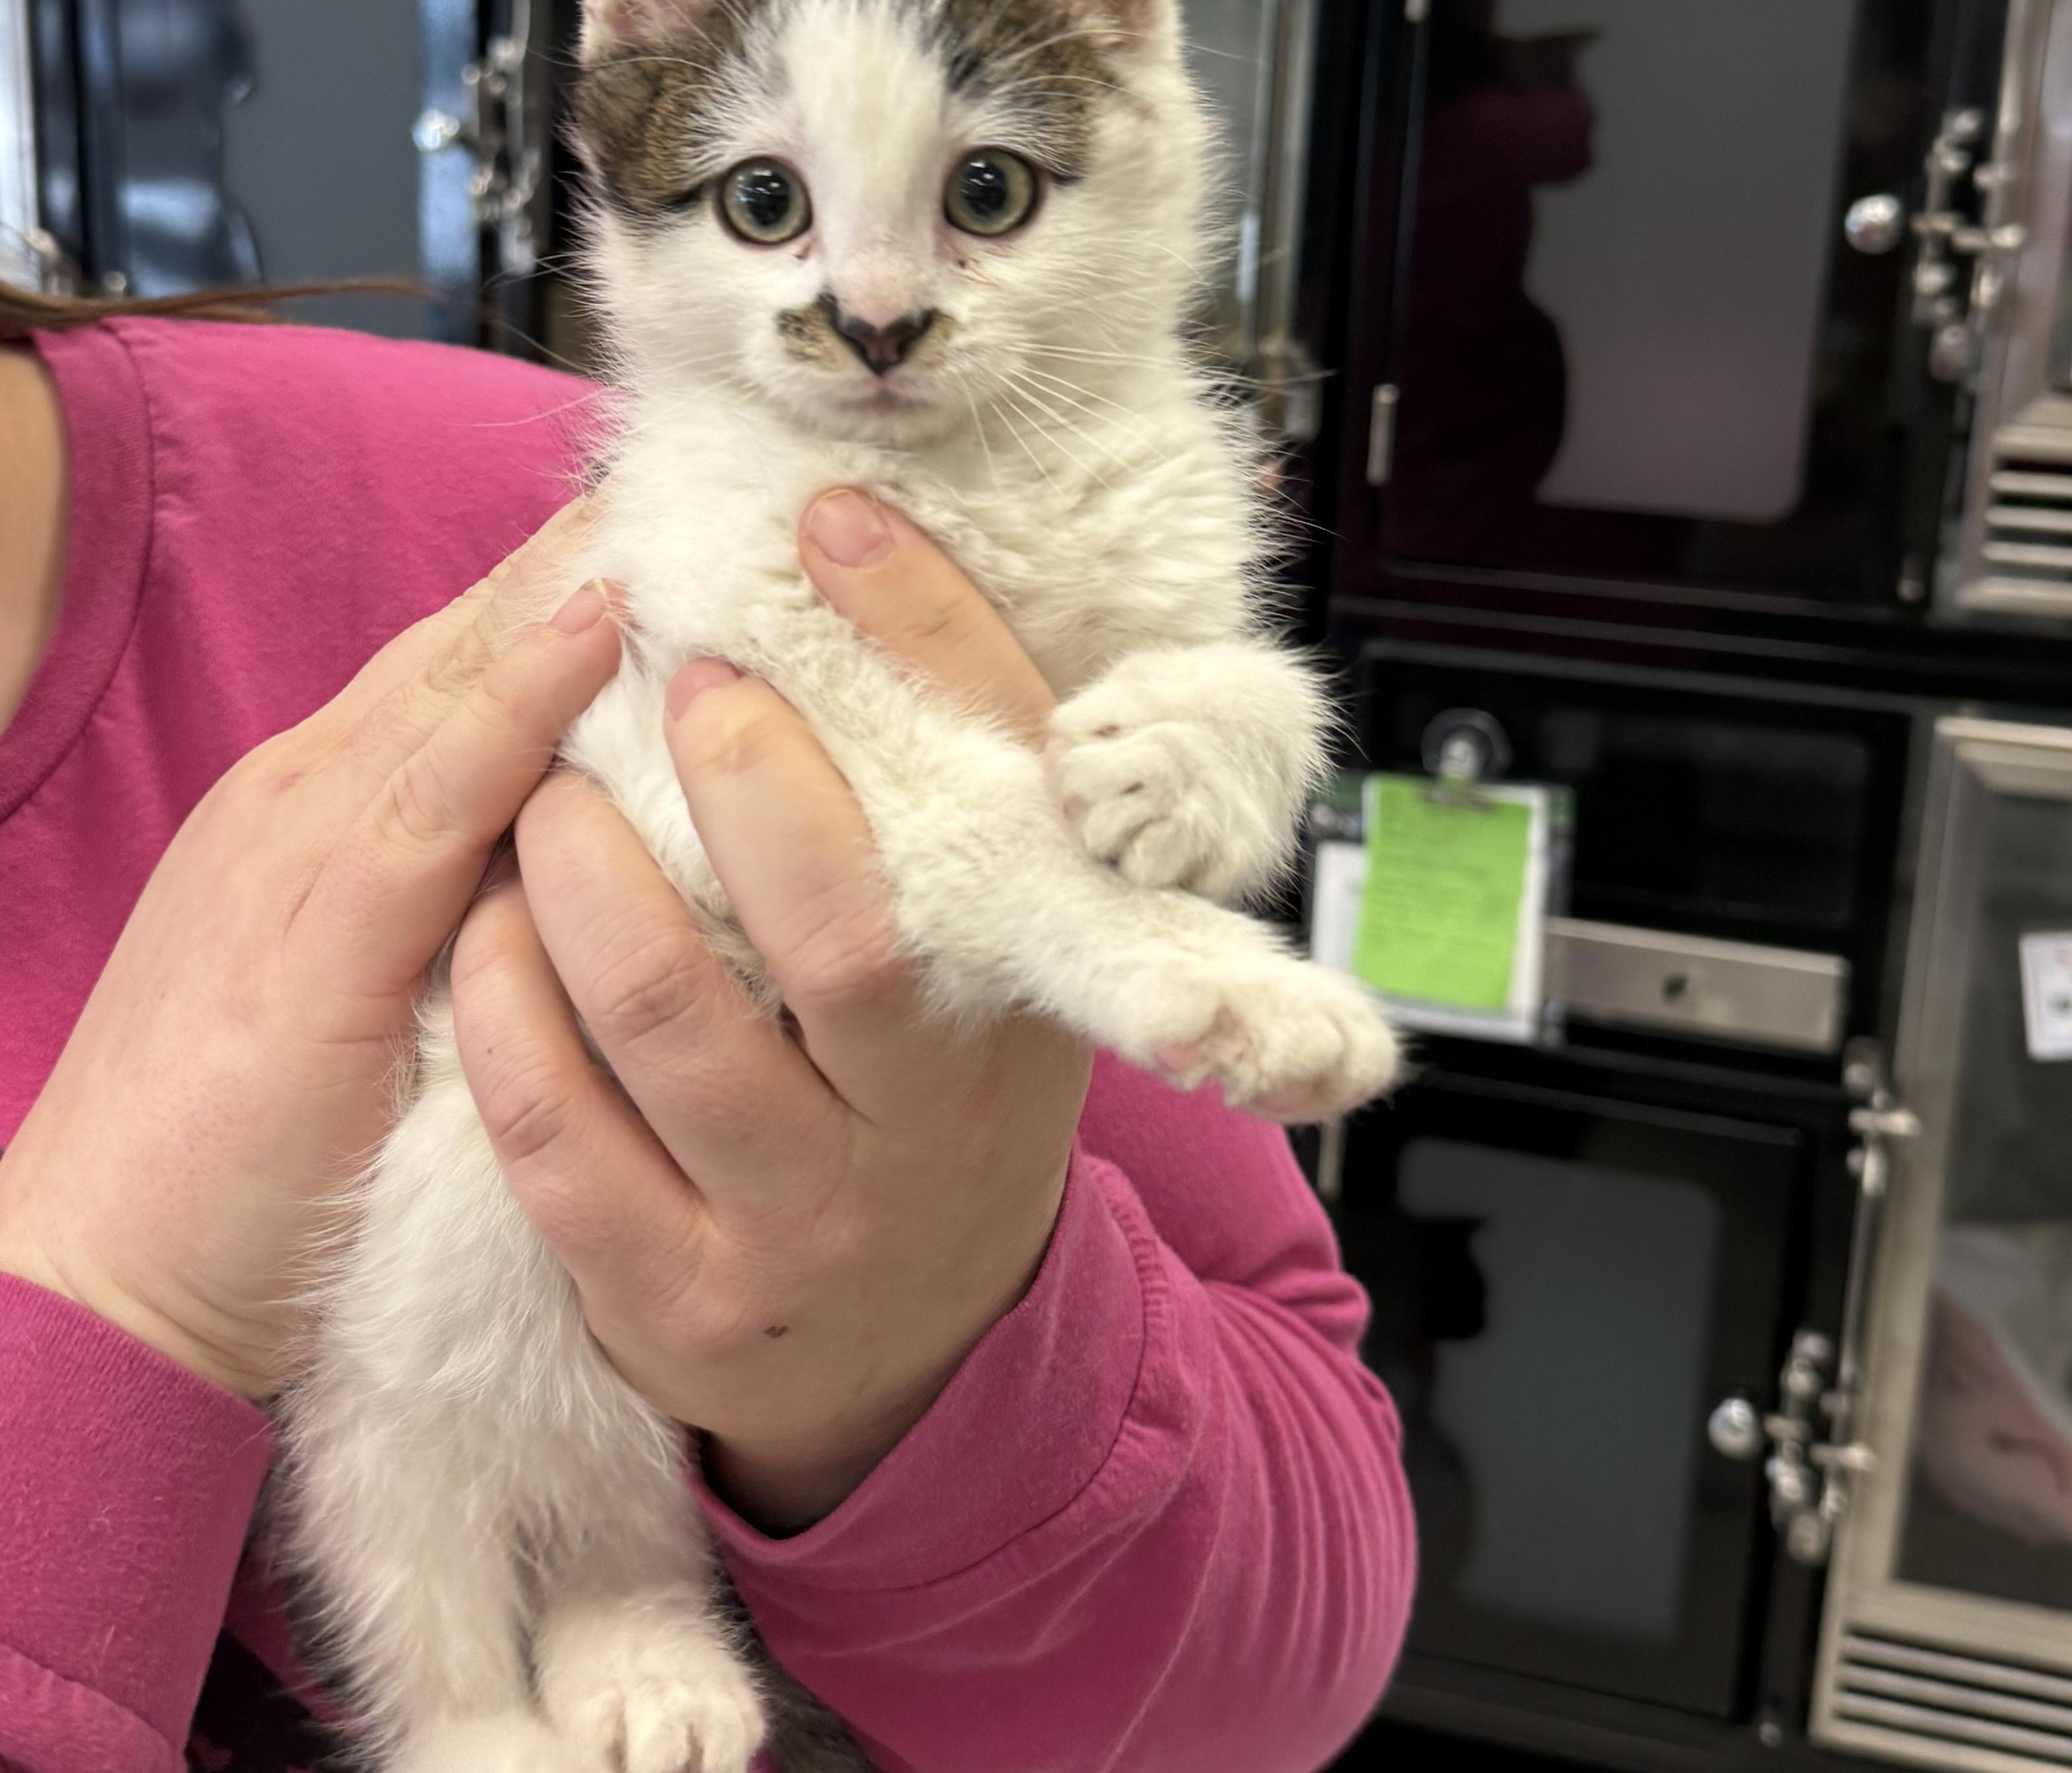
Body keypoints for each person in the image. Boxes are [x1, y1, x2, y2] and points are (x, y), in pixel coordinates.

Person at [0, 291, 1415, 1773]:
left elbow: (1304, 1605)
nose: (876, 304)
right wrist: (105, 1311)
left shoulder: (541, 496)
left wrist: (926, 1358)